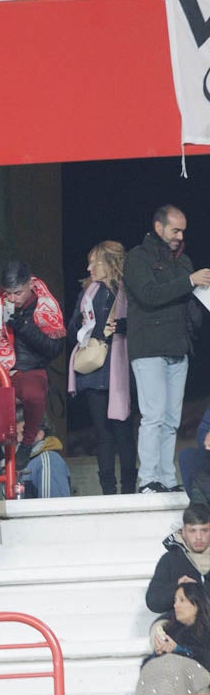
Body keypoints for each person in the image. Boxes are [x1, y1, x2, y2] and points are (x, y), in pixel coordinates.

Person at [126, 206, 205, 493]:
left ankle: (168, 479)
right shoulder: (137, 258)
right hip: (149, 349)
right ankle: (148, 479)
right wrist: (189, 282)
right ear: (159, 228)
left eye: (183, 230)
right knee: (154, 415)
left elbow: (189, 300)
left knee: (172, 419)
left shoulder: (183, 261)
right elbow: (148, 294)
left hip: (178, 348)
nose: (180, 235)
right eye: (175, 230)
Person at [68, 241, 135, 496]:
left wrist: (124, 326)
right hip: (93, 370)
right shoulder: (87, 293)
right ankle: (108, 490)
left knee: (123, 430)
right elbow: (72, 329)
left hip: (120, 367)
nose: (88, 267)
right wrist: (82, 326)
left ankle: (129, 489)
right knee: (102, 432)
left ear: (110, 264)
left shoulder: (127, 291)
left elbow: (139, 325)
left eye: (93, 262)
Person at [0, 261, 66, 467]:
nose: (12, 299)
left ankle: (26, 443)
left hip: (31, 368)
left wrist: (24, 327)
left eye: (17, 293)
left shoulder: (47, 306)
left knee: (34, 394)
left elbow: (54, 350)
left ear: (30, 285)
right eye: (8, 293)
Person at [129, 581, 210, 695]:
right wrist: (158, 654)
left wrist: (180, 651)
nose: (175, 605)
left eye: (181, 600)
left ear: (196, 603)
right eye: (175, 600)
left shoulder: (207, 633)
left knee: (171, 665)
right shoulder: (170, 632)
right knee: (154, 666)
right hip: (171, 686)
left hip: (201, 691)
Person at [147, 505, 210, 616]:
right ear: (184, 531)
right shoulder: (170, 560)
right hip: (182, 627)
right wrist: (178, 586)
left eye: (204, 530)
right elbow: (153, 602)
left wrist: (199, 589)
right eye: (192, 531)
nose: (199, 537)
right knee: (159, 627)